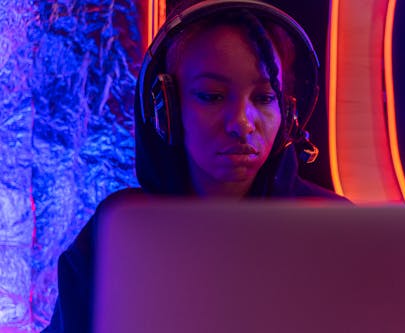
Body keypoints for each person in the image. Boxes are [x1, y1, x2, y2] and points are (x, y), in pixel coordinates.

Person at [42, 0, 350, 332]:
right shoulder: (118, 231)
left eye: (263, 98)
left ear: (288, 113)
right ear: (167, 109)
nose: (242, 123)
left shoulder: (334, 228)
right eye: (212, 96)